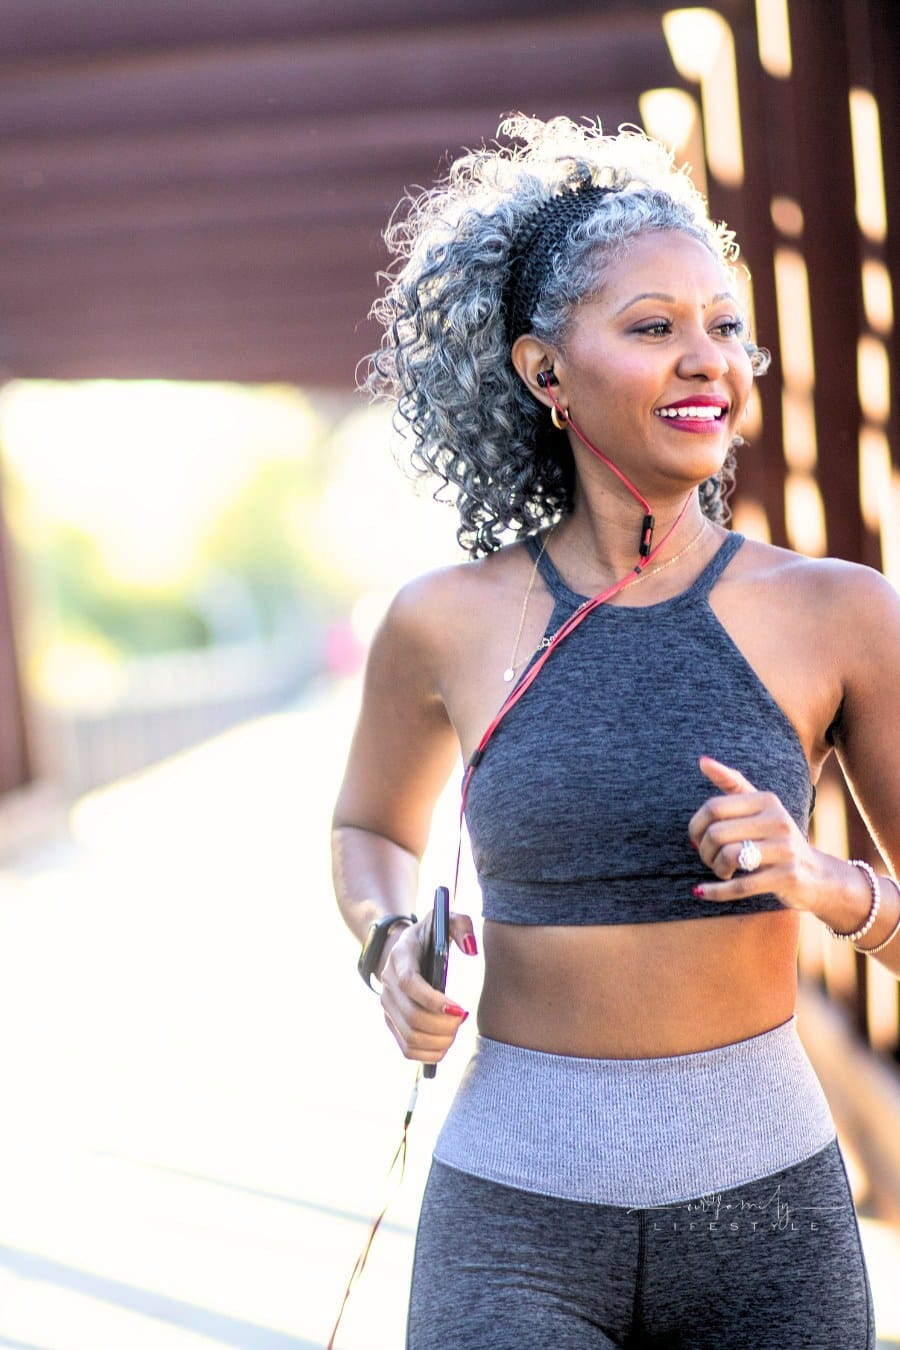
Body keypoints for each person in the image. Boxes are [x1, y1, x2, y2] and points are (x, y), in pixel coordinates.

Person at [332, 115, 900, 1348]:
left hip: (770, 1219)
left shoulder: (841, 613)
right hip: (512, 1213)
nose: (709, 361)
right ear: (545, 372)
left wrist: (824, 881)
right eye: (653, 328)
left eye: (725, 327)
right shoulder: (441, 622)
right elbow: (367, 826)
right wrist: (387, 942)